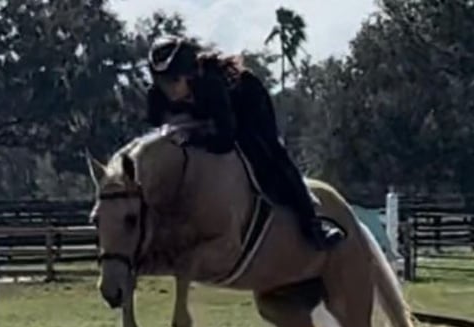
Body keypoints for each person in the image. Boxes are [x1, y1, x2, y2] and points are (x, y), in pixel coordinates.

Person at [145, 35, 344, 251]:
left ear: (190, 74)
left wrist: (192, 137)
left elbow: (225, 139)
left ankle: (312, 223)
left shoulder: (211, 83)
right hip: (209, 117)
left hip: (245, 104)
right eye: (163, 82)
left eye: (174, 81)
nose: (169, 89)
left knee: (265, 151)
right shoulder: (156, 96)